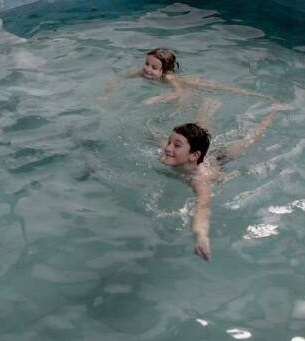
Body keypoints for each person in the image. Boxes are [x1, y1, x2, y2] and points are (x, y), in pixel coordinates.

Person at [154, 101, 282, 261]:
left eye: (176, 145)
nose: (168, 148)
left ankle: (275, 111)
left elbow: (203, 208)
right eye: (169, 142)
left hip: (219, 159)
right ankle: (209, 105)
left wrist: (201, 236)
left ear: (193, 155)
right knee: (202, 126)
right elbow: (155, 139)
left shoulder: (200, 180)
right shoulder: (170, 154)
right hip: (200, 156)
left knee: (250, 139)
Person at [102, 48, 270, 105]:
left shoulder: (168, 78)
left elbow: (179, 93)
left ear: (165, 71)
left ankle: (253, 94)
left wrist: (162, 98)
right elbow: (117, 79)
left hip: (187, 82)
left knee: (220, 88)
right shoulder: (141, 72)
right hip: (178, 84)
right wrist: (106, 94)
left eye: (154, 67)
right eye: (147, 63)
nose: (147, 69)